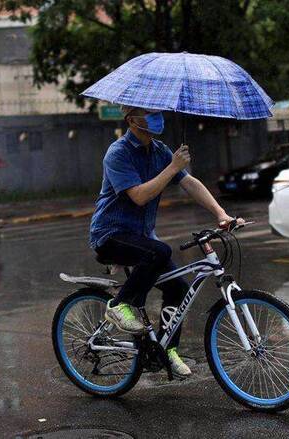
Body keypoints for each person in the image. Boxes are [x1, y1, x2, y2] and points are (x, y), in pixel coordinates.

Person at [89, 106, 243, 377]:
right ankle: (118, 305)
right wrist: (172, 167)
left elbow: (190, 182)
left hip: (142, 238)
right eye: (149, 113)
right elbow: (138, 195)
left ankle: (166, 348)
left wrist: (221, 214)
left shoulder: (159, 150)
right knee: (158, 251)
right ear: (132, 120)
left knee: (179, 287)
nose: (156, 117)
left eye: (157, 112)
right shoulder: (118, 153)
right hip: (110, 235)